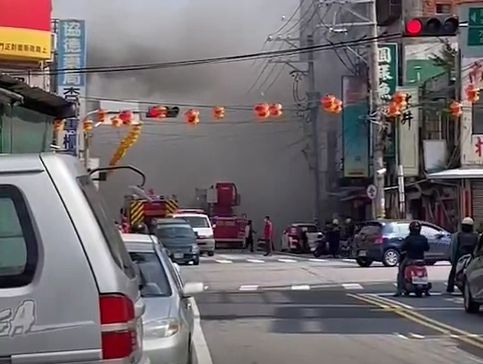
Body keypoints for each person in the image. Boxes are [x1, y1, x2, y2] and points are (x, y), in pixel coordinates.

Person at [394, 220, 430, 297]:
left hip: (410, 259)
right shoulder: (423, 238)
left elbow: (403, 247)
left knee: (401, 270)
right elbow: (427, 248)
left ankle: (399, 290)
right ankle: (426, 290)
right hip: (421, 259)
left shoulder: (409, 238)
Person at [446, 217, 479, 294]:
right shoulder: (476, 236)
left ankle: (450, 288)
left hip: (460, 258)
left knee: (453, 271)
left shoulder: (457, 236)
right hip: (471, 259)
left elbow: (453, 249)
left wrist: (452, 259)